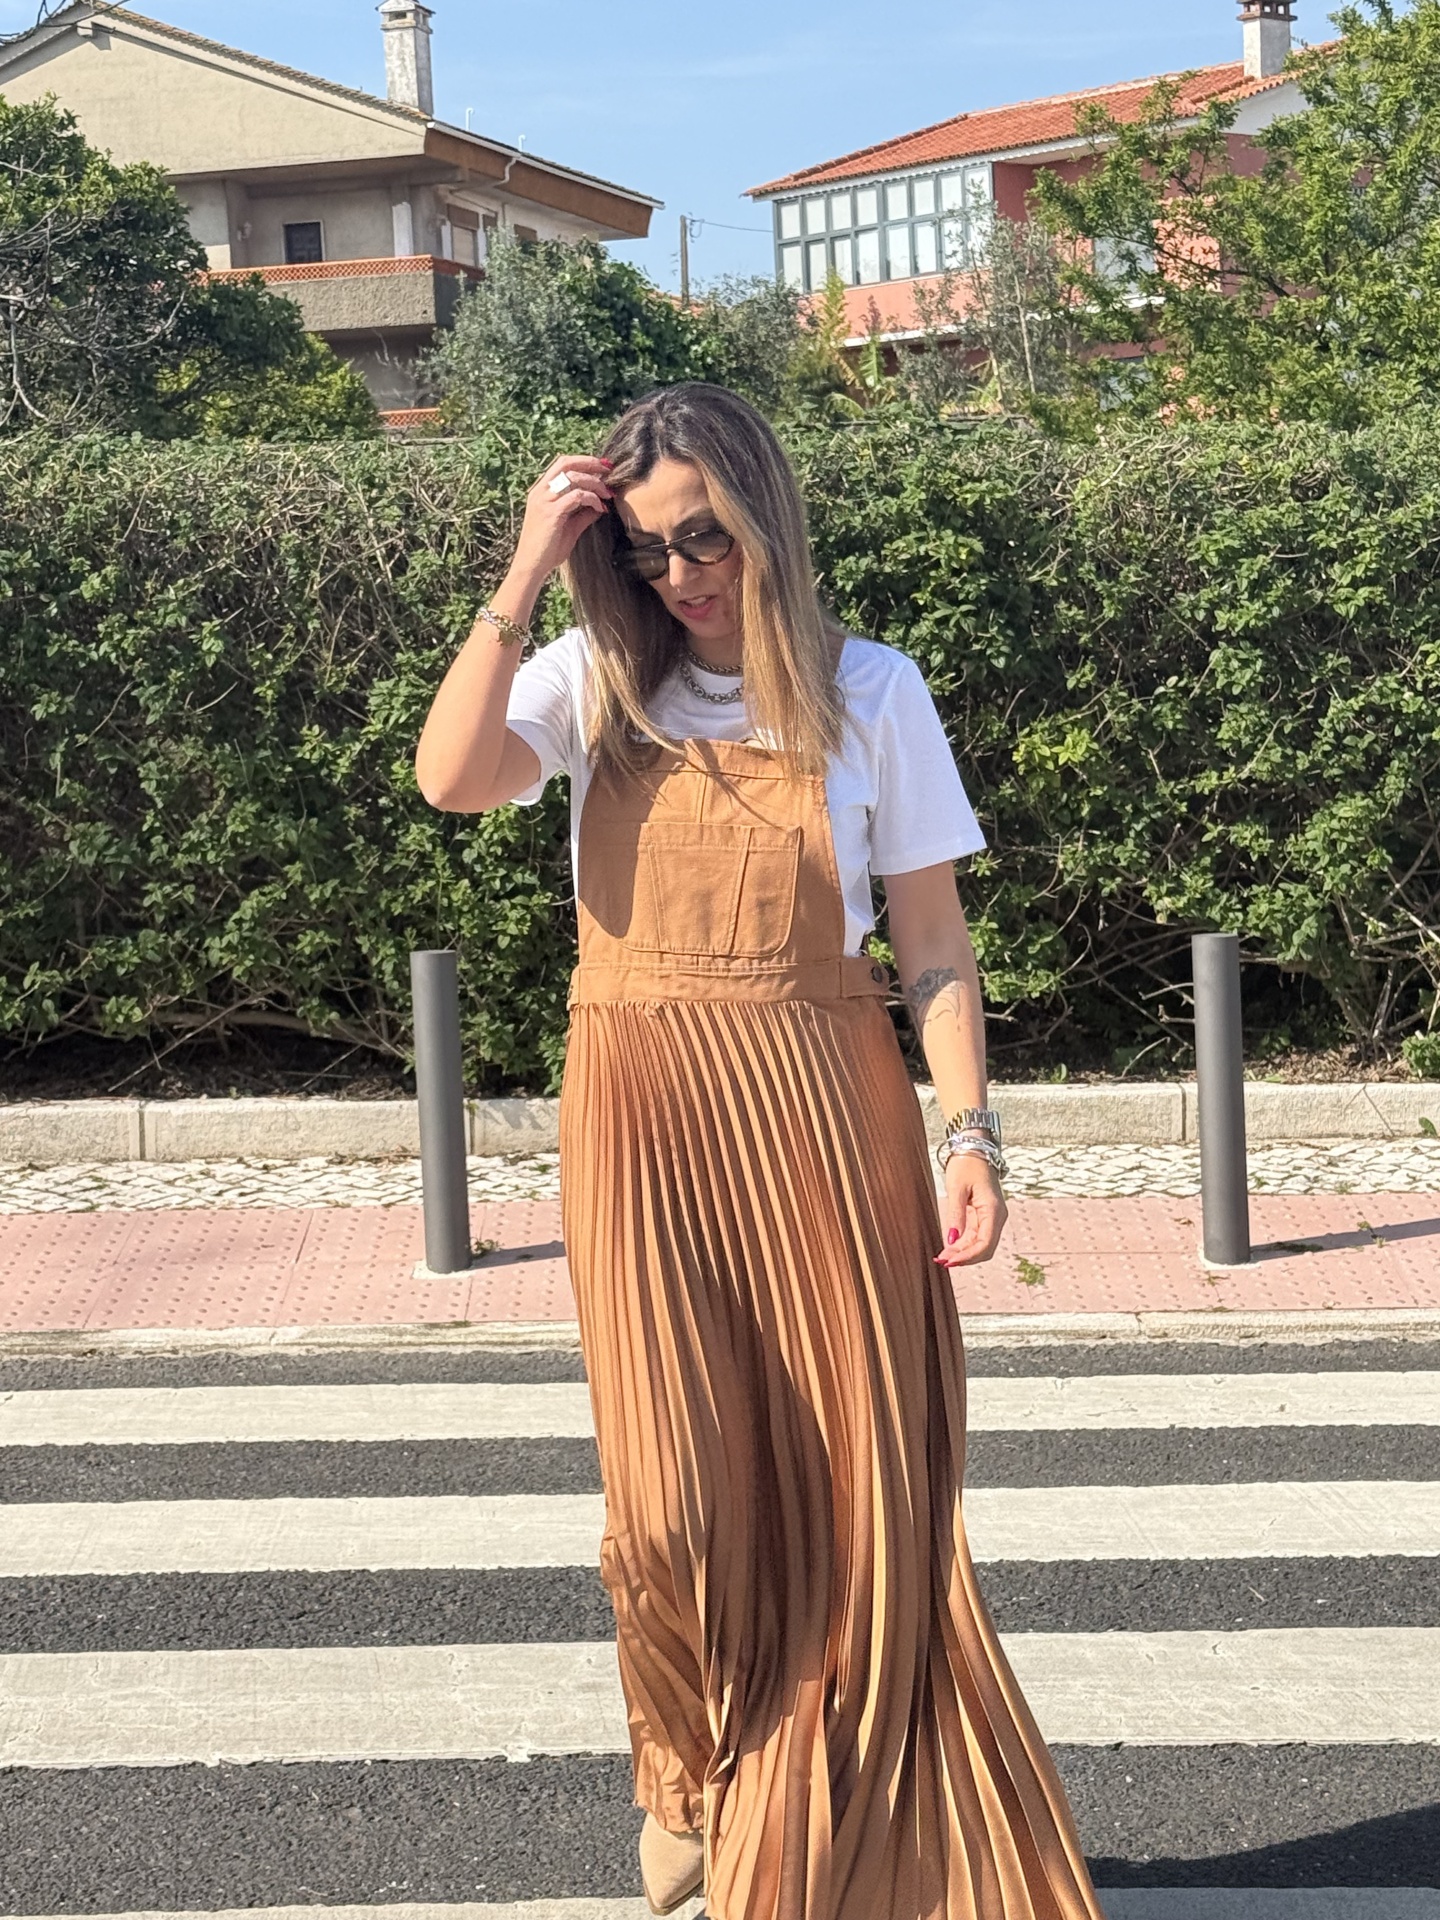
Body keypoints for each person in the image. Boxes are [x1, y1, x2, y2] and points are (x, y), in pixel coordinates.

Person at [416, 383, 1103, 1920]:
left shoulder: (872, 692)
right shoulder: (594, 679)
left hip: (822, 1112)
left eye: (707, 537)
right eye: (647, 550)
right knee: (669, 1502)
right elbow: (450, 780)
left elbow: (932, 944)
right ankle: (684, 1762)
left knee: (850, 1499)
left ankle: (820, 1827)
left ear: (765, 518)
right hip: (642, 1117)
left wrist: (971, 1132)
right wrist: (527, 571)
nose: (682, 575)